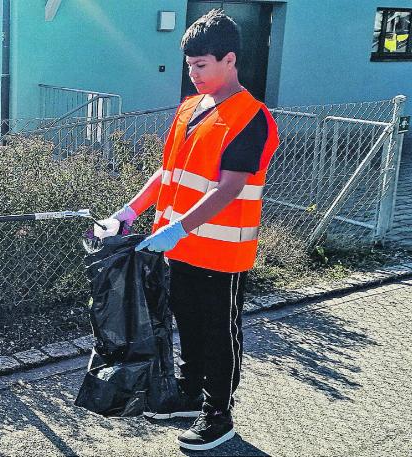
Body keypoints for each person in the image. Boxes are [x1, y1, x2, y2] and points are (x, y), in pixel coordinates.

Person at [110, 9, 280, 451]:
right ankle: (188, 393)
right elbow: (166, 172)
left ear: (230, 59)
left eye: (201, 66)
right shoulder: (191, 107)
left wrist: (178, 229)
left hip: (222, 255)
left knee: (219, 333)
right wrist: (128, 212)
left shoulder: (252, 117)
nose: (194, 74)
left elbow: (229, 189)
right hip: (181, 248)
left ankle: (218, 414)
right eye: (189, 66)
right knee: (188, 324)